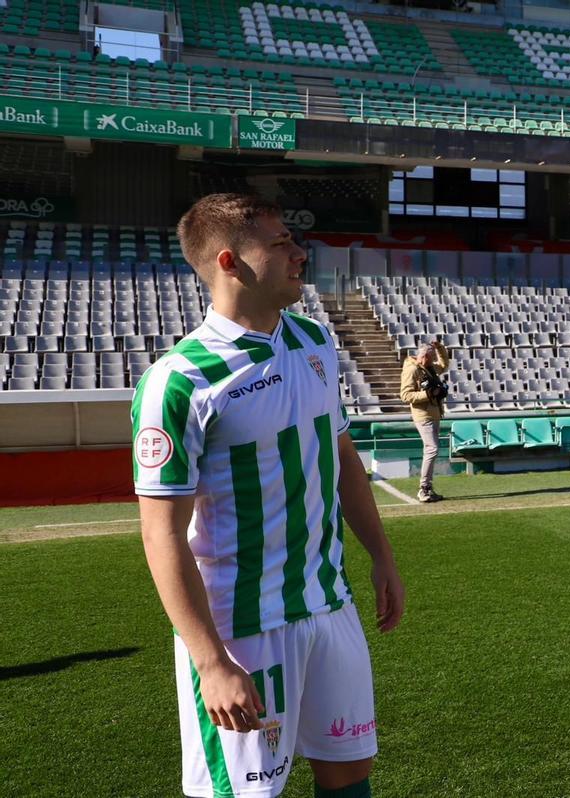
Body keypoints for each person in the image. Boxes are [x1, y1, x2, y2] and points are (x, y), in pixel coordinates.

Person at [132, 193, 405, 798]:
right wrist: (210, 662)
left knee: (350, 774)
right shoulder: (180, 382)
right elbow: (161, 534)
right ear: (230, 261)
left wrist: (380, 554)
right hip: (245, 630)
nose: (299, 254)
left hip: (330, 605)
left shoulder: (312, 341)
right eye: (281, 244)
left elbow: (343, 458)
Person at [400, 339, 451, 503]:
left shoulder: (428, 368)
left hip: (434, 414)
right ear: (423, 356)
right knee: (432, 449)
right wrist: (428, 394)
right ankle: (424, 489)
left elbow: (444, 365)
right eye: (430, 357)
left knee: (431, 450)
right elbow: (405, 396)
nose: (432, 361)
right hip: (423, 416)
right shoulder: (412, 370)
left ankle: (428, 488)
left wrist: (439, 348)